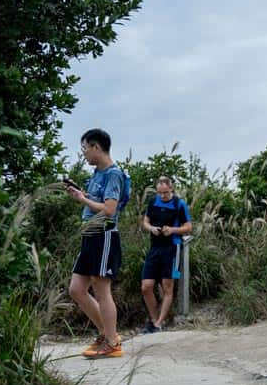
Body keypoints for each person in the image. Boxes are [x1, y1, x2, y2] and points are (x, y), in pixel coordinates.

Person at [66, 129, 126, 358]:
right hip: (90, 235)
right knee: (77, 289)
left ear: (96, 147)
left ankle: (112, 343)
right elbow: (97, 203)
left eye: (85, 149)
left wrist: (83, 199)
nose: (84, 155)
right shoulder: (96, 175)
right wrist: (82, 196)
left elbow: (110, 211)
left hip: (104, 234)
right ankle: (106, 333)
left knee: (102, 289)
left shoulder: (113, 174)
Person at [140, 175, 192, 333]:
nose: (162, 196)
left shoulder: (179, 204)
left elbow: (189, 227)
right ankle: (154, 319)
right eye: (159, 193)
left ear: (171, 189)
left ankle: (159, 323)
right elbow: (145, 222)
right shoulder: (152, 202)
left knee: (167, 286)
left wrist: (172, 230)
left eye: (165, 193)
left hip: (172, 248)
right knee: (146, 286)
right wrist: (151, 229)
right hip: (154, 248)